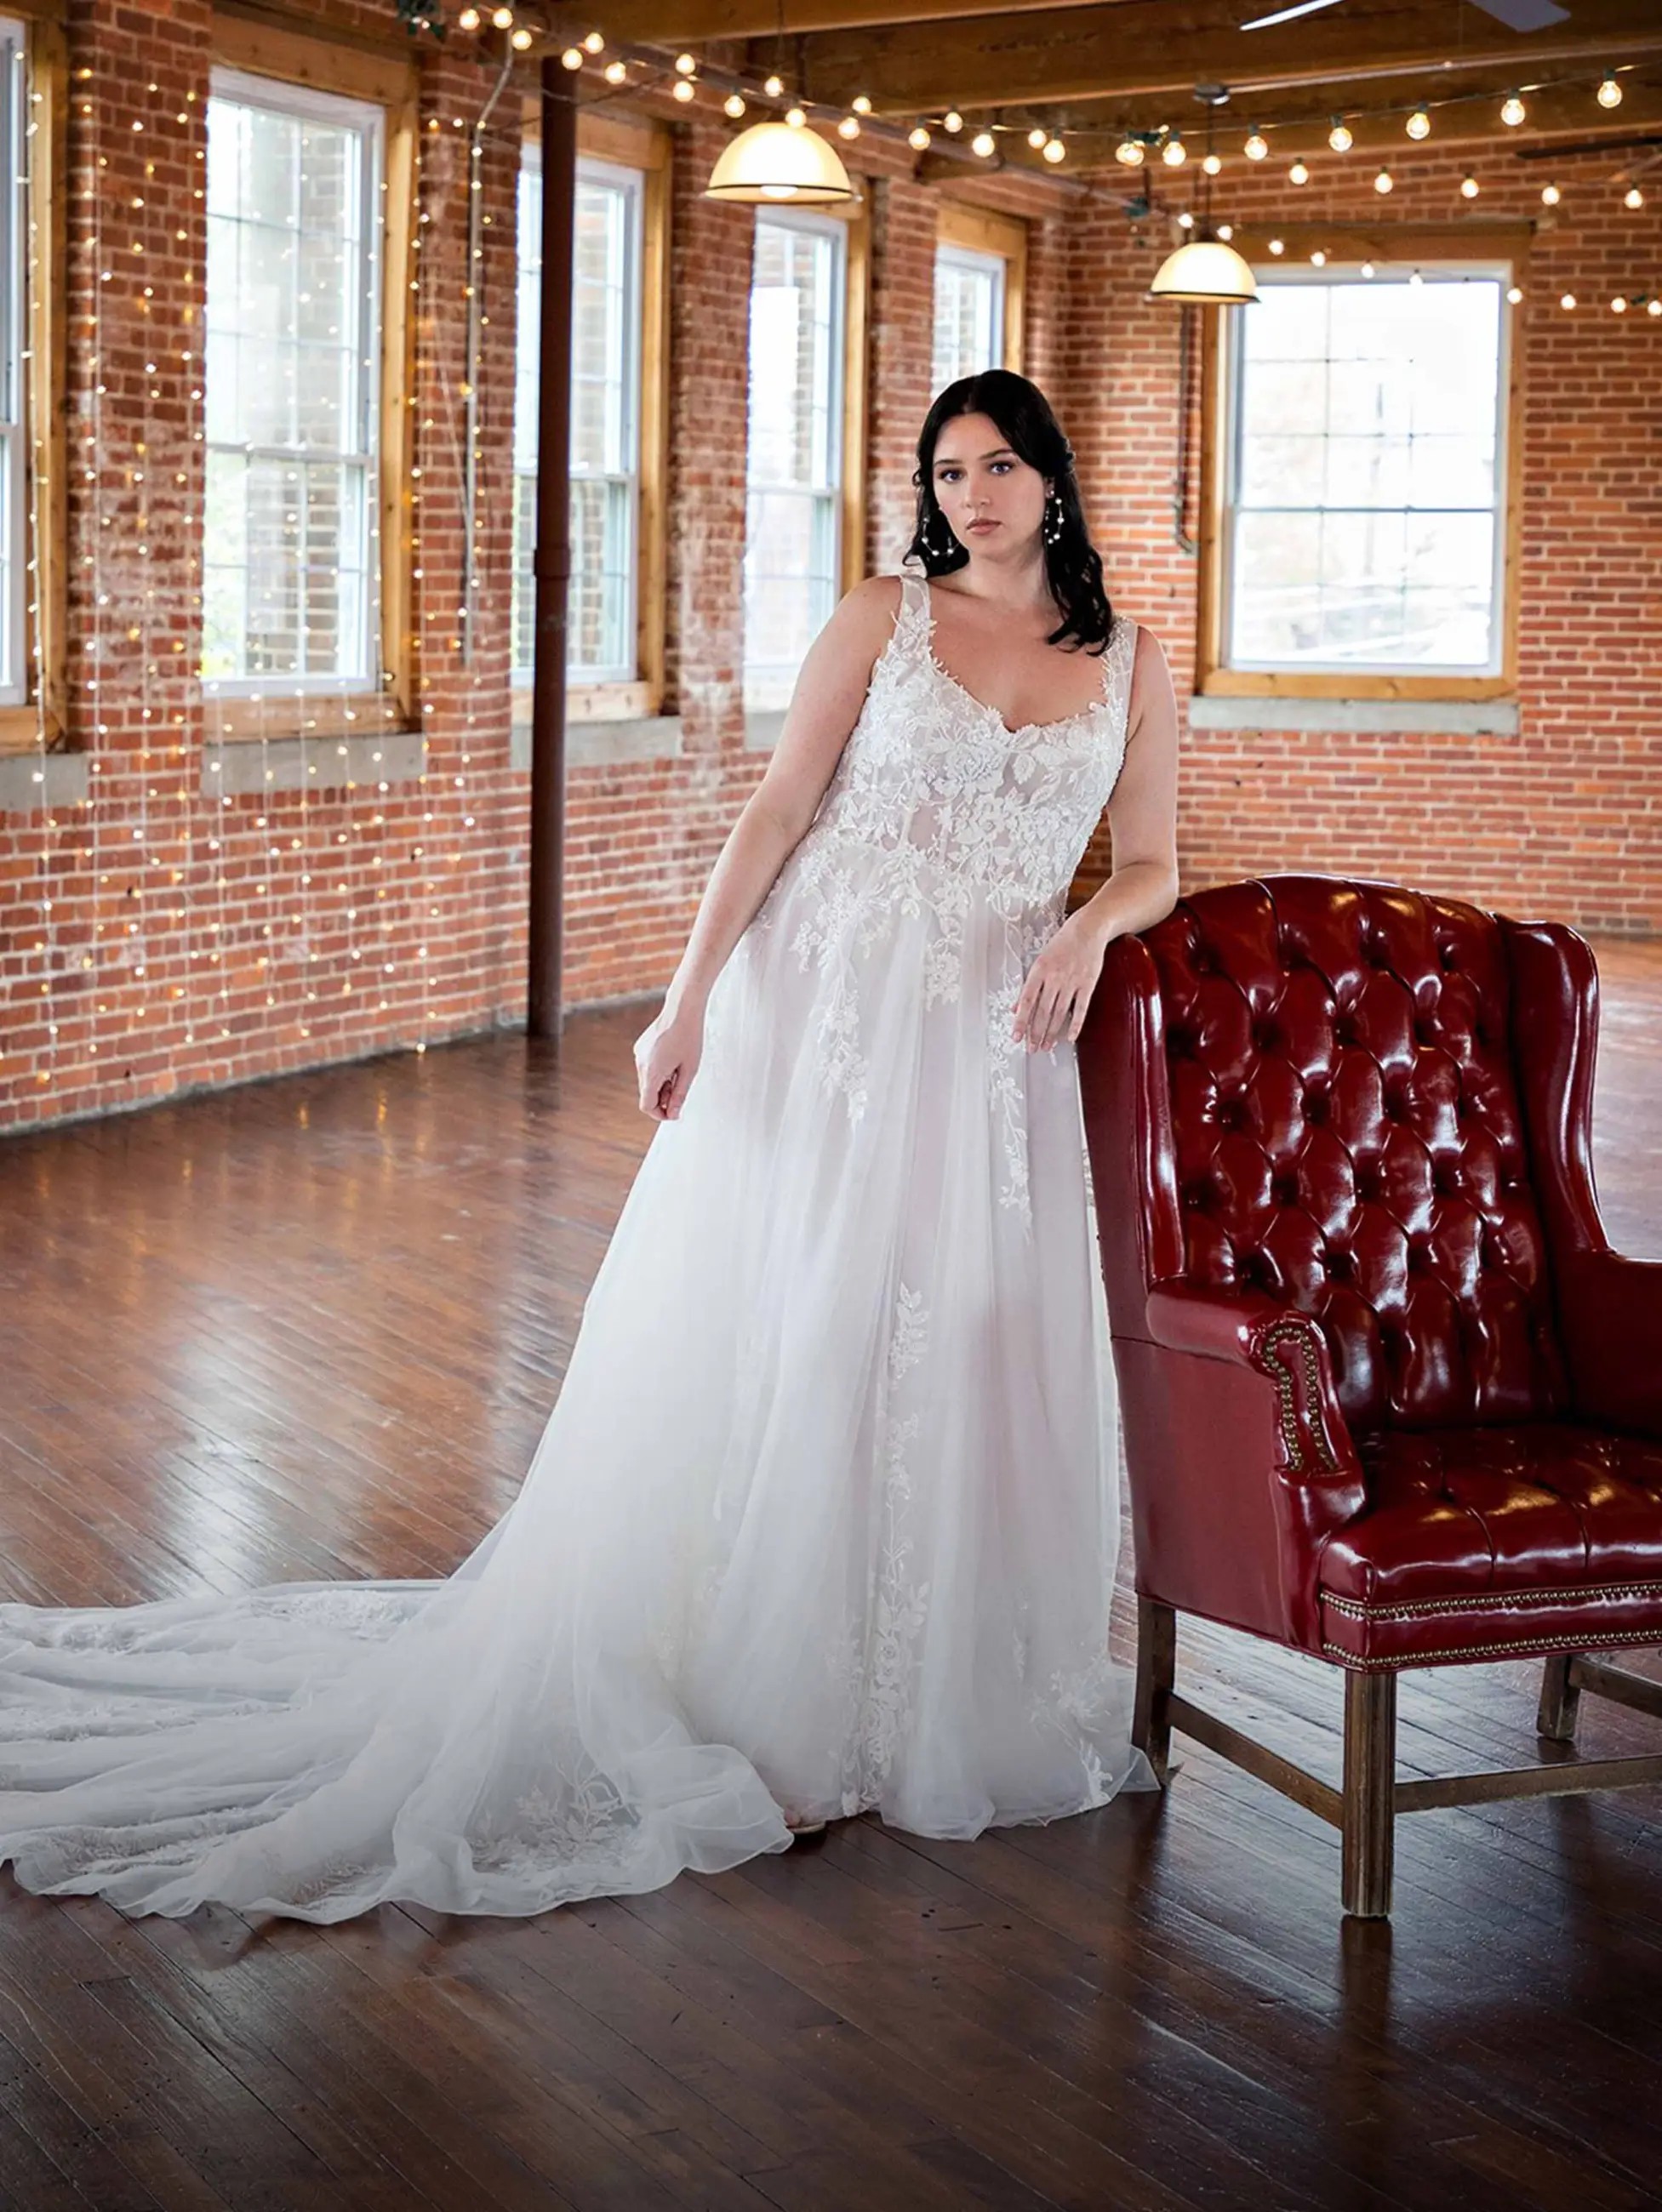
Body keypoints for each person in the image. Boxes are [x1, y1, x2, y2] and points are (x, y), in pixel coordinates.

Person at [0, 370, 1180, 1924]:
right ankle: (781, 1693)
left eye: (1001, 467)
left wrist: (1092, 921)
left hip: (990, 1038)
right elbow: (771, 816)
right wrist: (684, 1004)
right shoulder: (880, 621)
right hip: (824, 1009)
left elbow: (1158, 860)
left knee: (955, 1336)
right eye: (948, 470)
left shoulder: (1134, 659)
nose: (973, 496)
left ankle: (928, 1685)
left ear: (1052, 482)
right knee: (807, 1321)